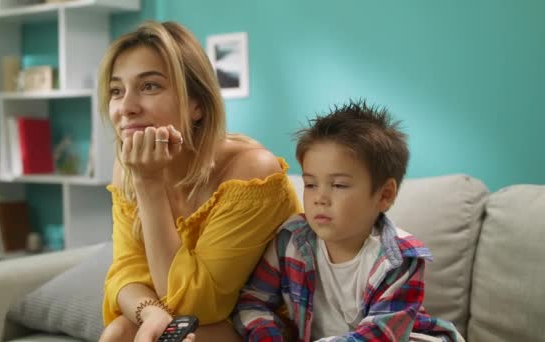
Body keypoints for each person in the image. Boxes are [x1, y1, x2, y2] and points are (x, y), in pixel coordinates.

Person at [96, 20, 301, 342]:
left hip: (258, 324)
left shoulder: (252, 171)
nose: (126, 108)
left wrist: (149, 186)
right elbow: (125, 271)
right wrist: (150, 312)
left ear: (198, 105)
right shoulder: (129, 167)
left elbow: (198, 304)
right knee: (120, 330)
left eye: (149, 86)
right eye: (116, 91)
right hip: (189, 317)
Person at [233, 100, 465, 342]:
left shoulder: (399, 258)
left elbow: (377, 337)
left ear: (384, 195)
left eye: (339, 185)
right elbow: (253, 302)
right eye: (310, 184)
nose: (319, 198)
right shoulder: (291, 239)